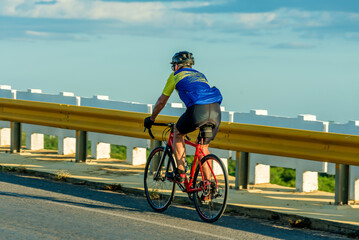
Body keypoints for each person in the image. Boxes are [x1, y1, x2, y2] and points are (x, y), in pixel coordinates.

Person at [144, 51, 222, 183]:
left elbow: (162, 101)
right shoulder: (200, 75)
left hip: (198, 110)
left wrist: (151, 118)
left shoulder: (175, 75)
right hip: (215, 111)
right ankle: (208, 186)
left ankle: (180, 172)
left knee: (178, 133)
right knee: (203, 147)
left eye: (174, 65)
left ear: (177, 66)